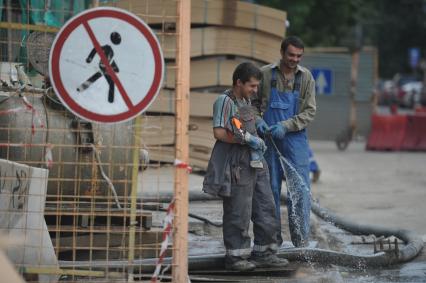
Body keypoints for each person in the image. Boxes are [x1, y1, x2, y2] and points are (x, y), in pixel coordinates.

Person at [202, 62, 288, 271]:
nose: (255, 90)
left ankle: (265, 252)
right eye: (252, 86)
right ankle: (236, 258)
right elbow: (220, 133)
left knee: (265, 205)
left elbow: (245, 124)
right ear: (238, 82)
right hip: (237, 164)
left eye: (257, 86)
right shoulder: (225, 101)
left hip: (256, 162)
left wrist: (257, 140)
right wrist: (247, 140)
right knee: (238, 211)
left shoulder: (246, 99)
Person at [252, 36, 316, 247]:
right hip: (268, 138)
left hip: (295, 140)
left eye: (299, 56)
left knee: (298, 190)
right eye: (291, 55)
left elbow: (309, 112)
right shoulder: (265, 74)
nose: (294, 59)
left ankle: (301, 242)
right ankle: (271, 242)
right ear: (281, 53)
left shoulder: (306, 78)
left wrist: (286, 126)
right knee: (268, 190)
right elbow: (250, 104)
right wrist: (259, 120)